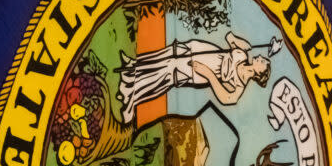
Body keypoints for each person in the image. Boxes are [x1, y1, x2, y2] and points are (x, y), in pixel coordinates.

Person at [117, 31, 273, 123]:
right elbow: (229, 37)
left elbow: (227, 99)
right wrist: (243, 43)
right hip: (206, 50)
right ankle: (134, 67)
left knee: (170, 71)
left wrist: (208, 74)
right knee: (170, 53)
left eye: (263, 62)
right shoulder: (244, 54)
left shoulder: (240, 84)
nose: (261, 57)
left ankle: (132, 97)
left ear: (259, 73)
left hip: (203, 70)